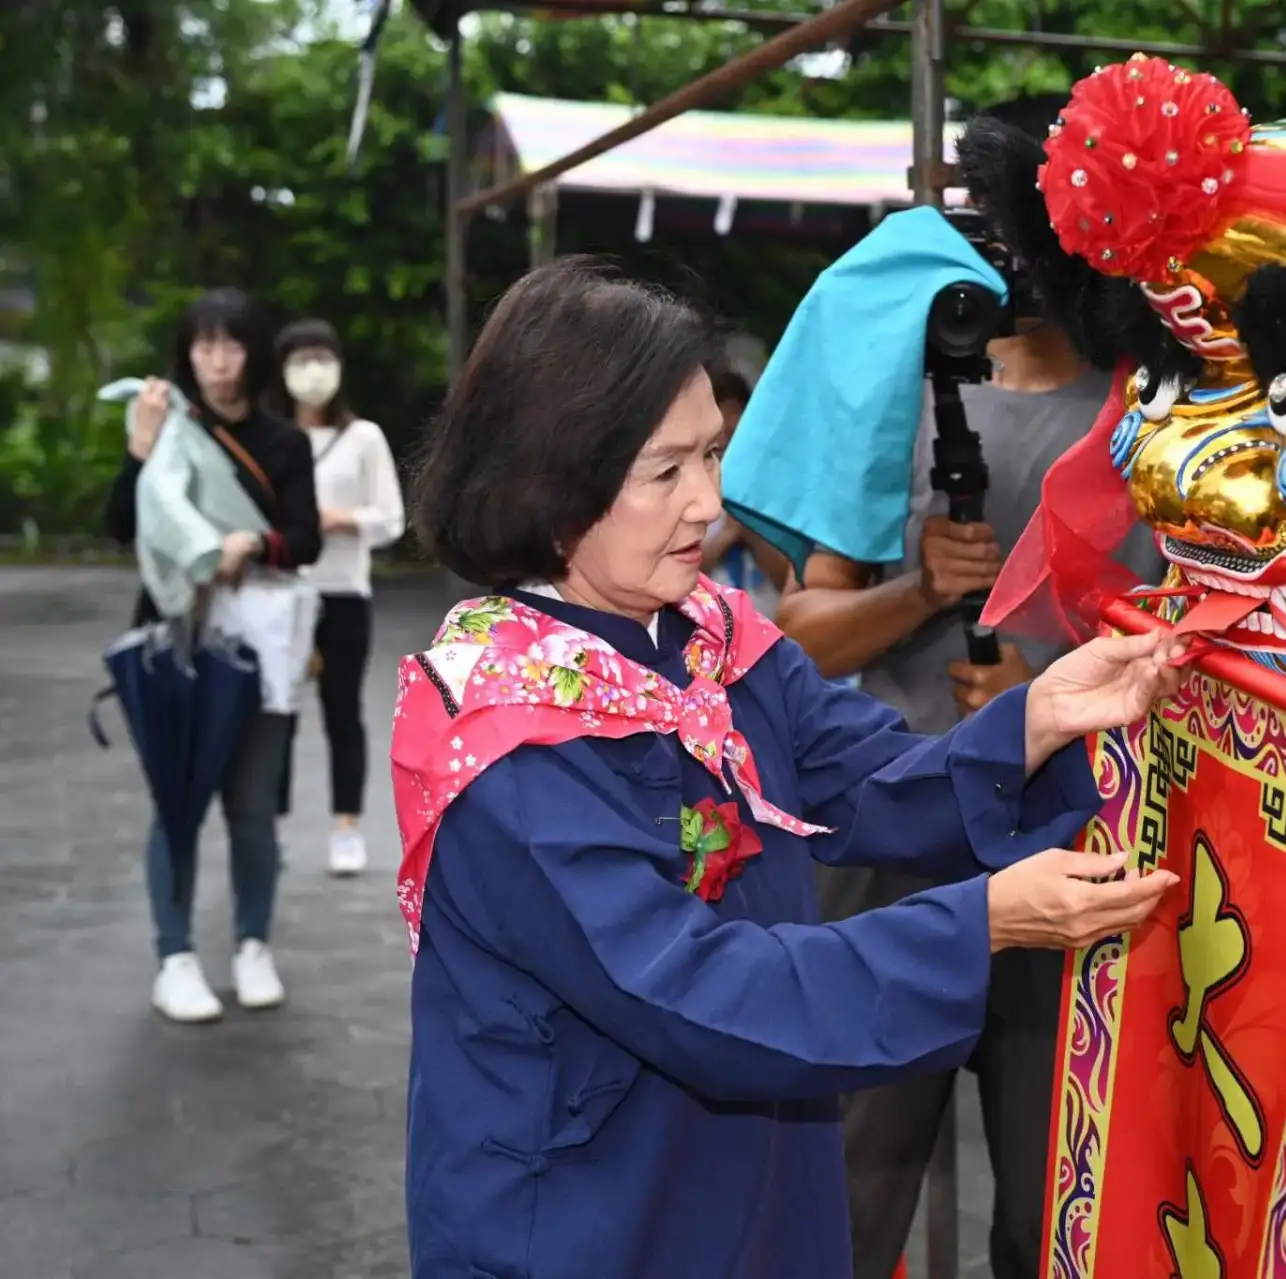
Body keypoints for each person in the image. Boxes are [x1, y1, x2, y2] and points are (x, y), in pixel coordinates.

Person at [392, 258, 1186, 1279]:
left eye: (712, 455)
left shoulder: (707, 638)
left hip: (749, 1168)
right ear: (553, 476)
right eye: (663, 471)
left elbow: (866, 780)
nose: (707, 504)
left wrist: (1037, 716)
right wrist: (981, 920)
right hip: (590, 1207)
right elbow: (701, 988)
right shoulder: (502, 739)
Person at [773, 94, 1165, 1279]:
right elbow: (799, 637)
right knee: (853, 1164)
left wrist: (1035, 694)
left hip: (1078, 835)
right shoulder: (901, 397)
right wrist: (919, 591)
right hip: (887, 828)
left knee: (1060, 1187)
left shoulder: (1157, 416)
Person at [103, 288, 322, 1021]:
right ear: (186, 353)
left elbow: (308, 539)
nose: (217, 360)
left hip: (261, 644)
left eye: (231, 345)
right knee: (178, 799)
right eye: (203, 345)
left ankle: (253, 944)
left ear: (254, 353)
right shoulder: (167, 427)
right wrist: (139, 449)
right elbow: (118, 526)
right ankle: (176, 956)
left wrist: (253, 544)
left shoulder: (284, 443)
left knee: (253, 807)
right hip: (178, 642)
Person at [273, 318, 404, 876]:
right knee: (274, 712)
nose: (312, 373)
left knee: (342, 711)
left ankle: (346, 825)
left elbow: (392, 518)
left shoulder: (364, 437)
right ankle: (268, 825)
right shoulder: (269, 437)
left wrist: (343, 520)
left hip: (344, 591)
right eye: (299, 361)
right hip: (279, 592)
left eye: (322, 359)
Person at [699, 363, 790, 595]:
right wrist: (727, 536)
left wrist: (751, 533)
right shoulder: (686, 492)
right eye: (721, 415)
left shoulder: (777, 488)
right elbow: (673, 583)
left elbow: (793, 586)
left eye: (735, 416)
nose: (728, 430)